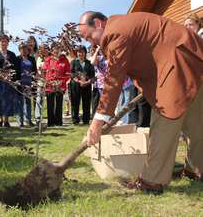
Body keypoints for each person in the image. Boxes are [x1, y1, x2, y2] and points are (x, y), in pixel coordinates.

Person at [79, 11, 203, 193]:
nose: (91, 42)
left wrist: (97, 122)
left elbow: (114, 80)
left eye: (89, 36)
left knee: (163, 122)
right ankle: (196, 169)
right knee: (196, 124)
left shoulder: (115, 32)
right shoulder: (123, 25)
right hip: (192, 62)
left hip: (178, 67)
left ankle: (152, 181)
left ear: (98, 24)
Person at [42, 43, 70, 127]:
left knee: (59, 103)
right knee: (50, 104)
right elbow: (44, 72)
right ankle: (50, 122)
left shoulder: (64, 60)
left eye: (58, 49)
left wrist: (62, 82)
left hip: (60, 86)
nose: (56, 51)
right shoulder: (48, 59)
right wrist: (48, 82)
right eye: (54, 49)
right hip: (50, 85)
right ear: (52, 50)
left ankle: (58, 122)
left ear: (60, 50)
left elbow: (68, 73)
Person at [69, 45, 94, 125]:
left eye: (82, 52)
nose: (81, 53)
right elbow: (71, 74)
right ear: (77, 53)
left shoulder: (89, 63)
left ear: (85, 53)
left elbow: (92, 76)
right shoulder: (73, 62)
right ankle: (75, 120)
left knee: (86, 103)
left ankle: (86, 120)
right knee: (75, 102)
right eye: (79, 52)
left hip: (87, 85)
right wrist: (79, 81)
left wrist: (87, 82)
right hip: (75, 85)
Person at [17, 42, 37, 127]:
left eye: (25, 49)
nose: (24, 51)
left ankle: (28, 120)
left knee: (28, 102)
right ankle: (20, 122)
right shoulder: (17, 59)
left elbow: (35, 71)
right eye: (22, 49)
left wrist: (34, 81)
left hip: (29, 83)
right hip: (20, 84)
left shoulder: (32, 59)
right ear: (19, 50)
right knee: (20, 102)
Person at [34, 44, 50, 124]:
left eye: (45, 49)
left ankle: (51, 118)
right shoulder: (39, 59)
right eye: (41, 49)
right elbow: (37, 70)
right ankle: (37, 118)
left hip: (49, 82)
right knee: (39, 99)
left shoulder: (50, 58)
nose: (43, 51)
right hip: (40, 82)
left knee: (50, 100)